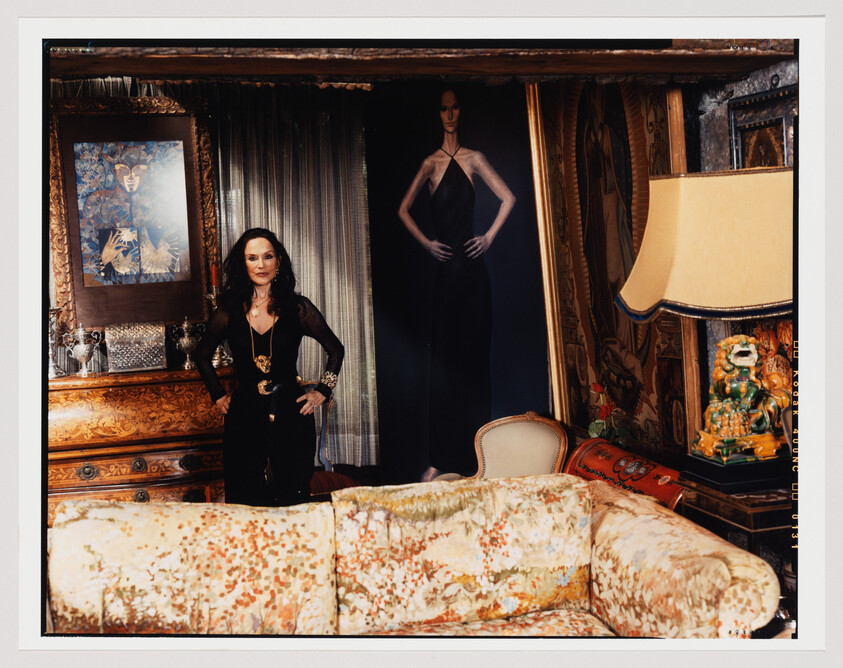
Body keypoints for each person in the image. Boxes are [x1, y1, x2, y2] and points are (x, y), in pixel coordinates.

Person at [397, 89, 515, 481]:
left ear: (462, 111)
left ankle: (475, 460)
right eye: (443, 107)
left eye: (455, 107)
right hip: (447, 279)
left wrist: (489, 237)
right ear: (438, 113)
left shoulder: (475, 159)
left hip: (474, 279)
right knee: (445, 367)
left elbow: (508, 199)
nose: (450, 113)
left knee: (474, 366)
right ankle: (440, 458)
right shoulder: (430, 163)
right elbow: (403, 210)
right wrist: (428, 243)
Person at [196, 228, 344, 506]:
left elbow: (336, 350)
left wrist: (322, 391)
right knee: (244, 496)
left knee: (293, 496)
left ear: (278, 262)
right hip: (244, 413)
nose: (260, 265)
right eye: (252, 258)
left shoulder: (298, 308)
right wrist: (217, 395)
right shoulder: (229, 310)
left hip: (291, 410)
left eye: (267, 257)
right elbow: (201, 354)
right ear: (243, 264)